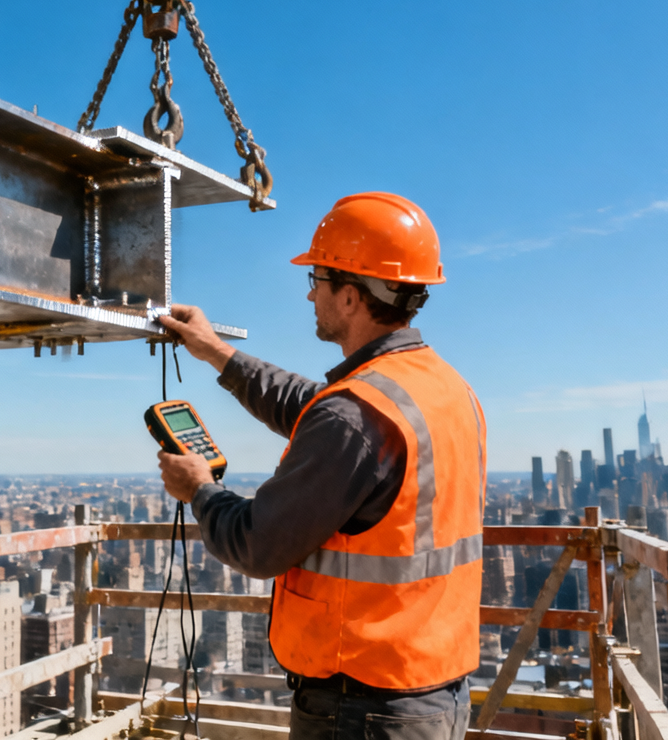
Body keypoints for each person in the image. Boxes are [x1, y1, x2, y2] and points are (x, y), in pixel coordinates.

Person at [156, 192, 486, 740]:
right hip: (434, 692)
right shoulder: (443, 389)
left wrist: (200, 491)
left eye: (318, 281)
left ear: (352, 297)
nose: (310, 294)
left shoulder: (356, 414)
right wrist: (216, 351)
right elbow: (314, 410)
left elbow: (259, 545)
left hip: (363, 706)